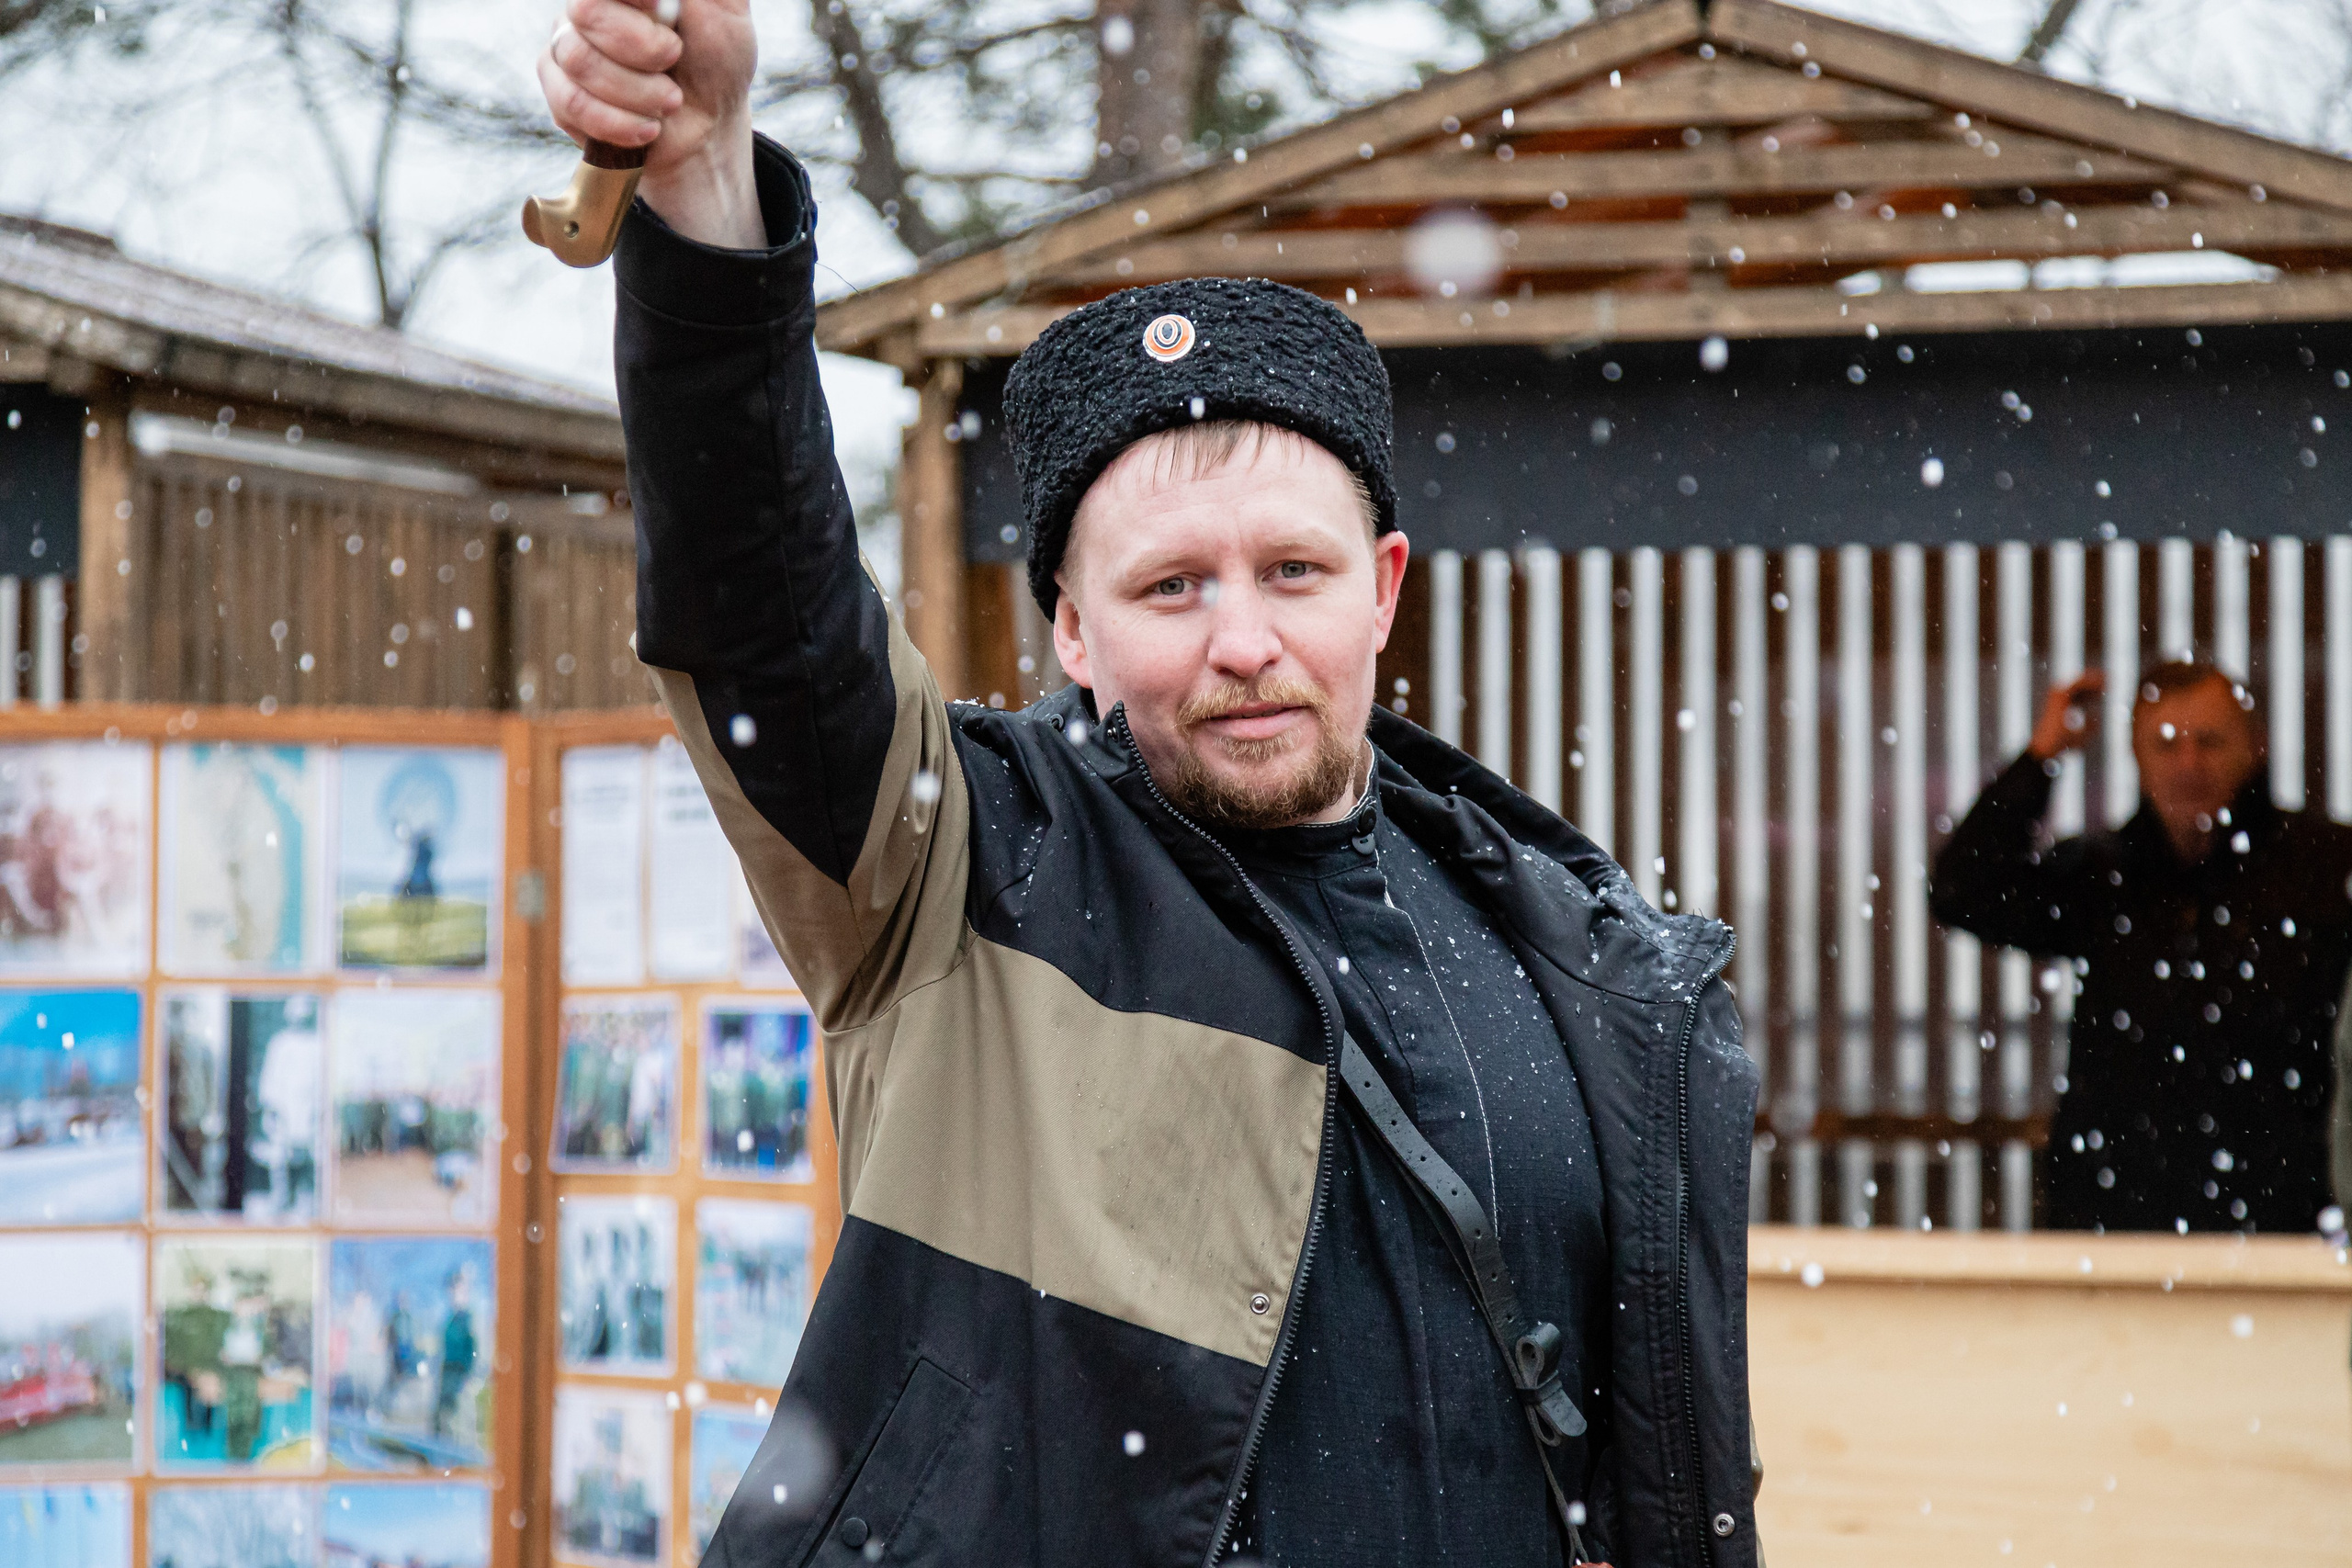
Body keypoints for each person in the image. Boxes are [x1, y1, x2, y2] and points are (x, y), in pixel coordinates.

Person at [537, 4, 1759, 1563]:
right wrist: (707, 188)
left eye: (1293, 570)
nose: (1243, 639)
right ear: (1072, 629)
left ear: (1383, 588)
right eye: (1171, 585)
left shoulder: (1567, 951)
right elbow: (759, 607)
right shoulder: (955, 873)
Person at [1933, 660, 2352, 1234]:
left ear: (2255, 747)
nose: (2189, 764)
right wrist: (2040, 757)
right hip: (2116, 1220)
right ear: (2136, 754)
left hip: (2284, 1221)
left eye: (2210, 741)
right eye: (2166, 743)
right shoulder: (2104, 875)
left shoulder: (2324, 869)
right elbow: (1963, 892)